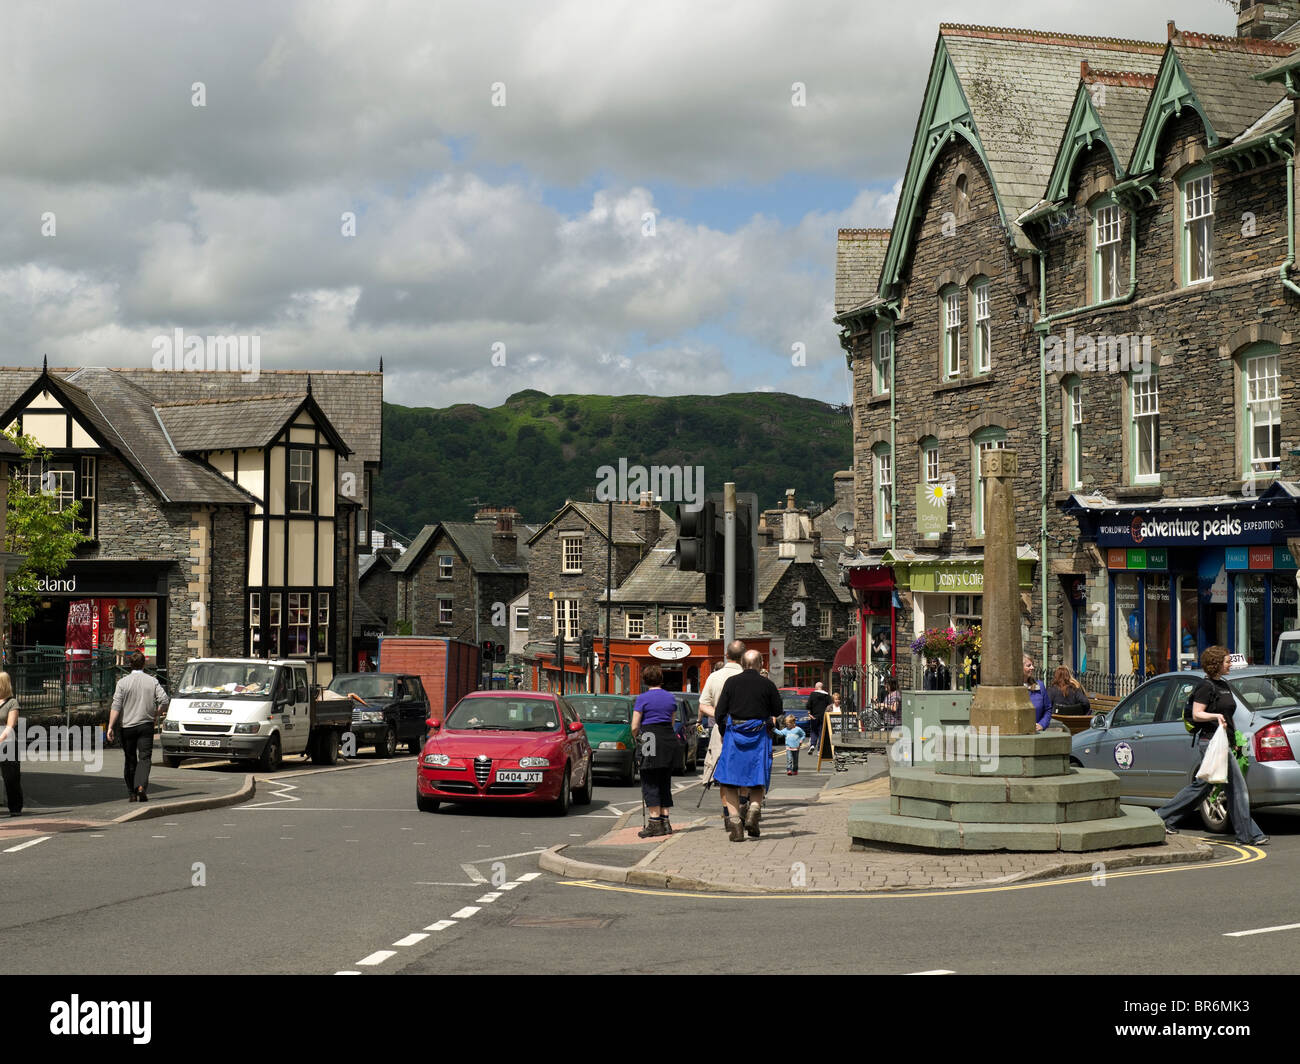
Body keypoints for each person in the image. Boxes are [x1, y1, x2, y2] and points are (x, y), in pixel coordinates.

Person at [1157, 647, 1268, 846]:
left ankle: (1164, 817)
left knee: (1204, 786)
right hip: (1210, 742)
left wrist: (1234, 742)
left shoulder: (1223, 684)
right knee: (1236, 788)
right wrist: (1215, 716)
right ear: (1216, 664)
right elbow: (1197, 714)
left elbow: (1229, 716)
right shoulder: (1205, 686)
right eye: (1227, 661)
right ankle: (1248, 835)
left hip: (1224, 741)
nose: (1230, 664)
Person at [714, 649, 783, 841]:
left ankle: (736, 825)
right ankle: (753, 811)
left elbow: (719, 713)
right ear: (760, 663)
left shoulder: (731, 683)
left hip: (734, 736)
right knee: (757, 779)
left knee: (729, 782)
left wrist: (723, 732)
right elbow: (778, 710)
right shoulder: (767, 684)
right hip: (759, 736)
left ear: (742, 664)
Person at [107, 650, 169, 802]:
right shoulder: (152, 681)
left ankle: (132, 793)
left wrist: (110, 727)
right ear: (144, 664)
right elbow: (165, 700)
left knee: (130, 759)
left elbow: (116, 706)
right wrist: (156, 713)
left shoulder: (122, 683)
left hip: (127, 726)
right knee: (145, 758)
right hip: (146, 725)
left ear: (129, 664)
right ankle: (141, 786)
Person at [631, 664, 680, 838]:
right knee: (664, 780)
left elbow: (635, 725)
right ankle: (666, 822)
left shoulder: (642, 698)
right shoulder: (671, 698)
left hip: (649, 738)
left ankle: (654, 823)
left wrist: (637, 738)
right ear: (661, 679)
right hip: (668, 738)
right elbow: (673, 722)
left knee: (650, 780)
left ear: (645, 680)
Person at [699, 642, 745, 824]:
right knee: (743, 770)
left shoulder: (714, 676)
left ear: (727, 655)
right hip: (745, 728)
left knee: (722, 773)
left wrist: (720, 715)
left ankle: (727, 814)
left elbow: (703, 704)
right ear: (743, 656)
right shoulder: (747, 676)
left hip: (721, 729)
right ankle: (742, 807)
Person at [0, 673, 22, 816]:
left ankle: (15, 807)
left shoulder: (12, 703)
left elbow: (10, 725)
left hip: (8, 744)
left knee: (11, 778)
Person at [1024, 655, 1051, 732]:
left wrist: (1042, 724)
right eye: (1029, 665)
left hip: (1036, 734)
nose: (1032, 668)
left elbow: (1048, 709)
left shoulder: (1040, 686)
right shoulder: (1012, 688)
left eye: (1032, 665)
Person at [805, 681, 830, 755]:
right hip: (824, 716)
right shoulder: (827, 695)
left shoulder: (812, 694)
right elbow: (829, 706)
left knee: (814, 731)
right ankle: (820, 750)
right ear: (822, 687)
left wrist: (809, 713)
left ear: (816, 687)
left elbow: (808, 705)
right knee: (821, 733)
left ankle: (812, 744)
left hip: (814, 716)